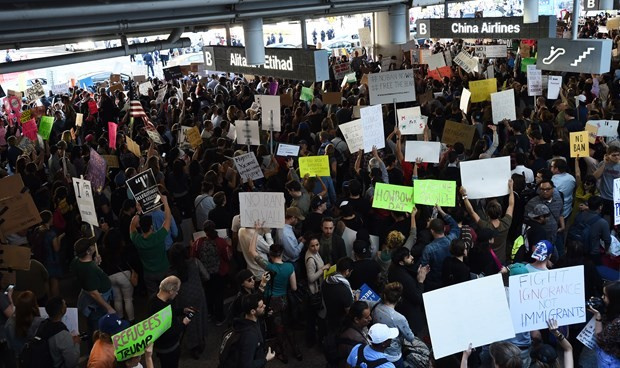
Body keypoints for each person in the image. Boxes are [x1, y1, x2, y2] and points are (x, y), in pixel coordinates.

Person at [249, 236, 300, 363]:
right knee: (287, 325)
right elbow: (294, 287)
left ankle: (283, 354)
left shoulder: (269, 267)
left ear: (270, 255)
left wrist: (256, 231)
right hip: (284, 300)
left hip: (272, 301)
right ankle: (297, 351)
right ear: (282, 254)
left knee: (278, 327)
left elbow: (251, 251)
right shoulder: (290, 267)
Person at [461, 179, 514, 263]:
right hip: (501, 260)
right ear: (500, 213)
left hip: (488, 261)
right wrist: (511, 189)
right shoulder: (506, 223)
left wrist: (464, 196)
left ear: (487, 214)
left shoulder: (484, 226)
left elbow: (471, 212)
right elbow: (511, 205)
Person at [72, 237, 115, 337]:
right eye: (91, 246)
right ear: (88, 251)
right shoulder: (89, 270)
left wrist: (94, 263)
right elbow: (94, 293)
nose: (93, 246)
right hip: (98, 306)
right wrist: (108, 308)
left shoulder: (77, 261)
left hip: (89, 300)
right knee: (98, 330)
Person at [129, 195, 172, 296]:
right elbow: (168, 220)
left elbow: (132, 225)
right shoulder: (158, 237)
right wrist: (165, 202)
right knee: (167, 294)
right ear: (151, 226)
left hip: (148, 274)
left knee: (153, 296)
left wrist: (138, 212)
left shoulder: (137, 240)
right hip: (163, 270)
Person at [147, 276, 192, 368]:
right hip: (169, 348)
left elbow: (171, 312)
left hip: (160, 347)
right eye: (176, 291)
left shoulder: (154, 300)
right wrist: (184, 323)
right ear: (171, 291)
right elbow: (170, 333)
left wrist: (182, 310)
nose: (177, 293)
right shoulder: (162, 309)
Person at [370, 283, 415, 368]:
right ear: (399, 299)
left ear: (384, 296)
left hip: (376, 347)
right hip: (392, 354)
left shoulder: (375, 306)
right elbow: (410, 337)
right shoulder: (399, 318)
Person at [387, 247, 429, 337]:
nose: (412, 257)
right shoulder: (405, 279)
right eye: (408, 257)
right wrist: (421, 281)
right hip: (411, 315)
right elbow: (418, 298)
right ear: (401, 262)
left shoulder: (393, 269)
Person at [419, 205, 460, 291]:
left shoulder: (428, 249)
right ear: (444, 228)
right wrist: (441, 211)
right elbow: (455, 226)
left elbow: (424, 268)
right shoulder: (452, 239)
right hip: (450, 279)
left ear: (432, 231)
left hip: (435, 282)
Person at [100, 229, 136, 324]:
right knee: (128, 299)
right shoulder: (123, 248)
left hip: (111, 277)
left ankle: (120, 320)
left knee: (117, 300)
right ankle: (132, 320)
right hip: (124, 275)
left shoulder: (103, 250)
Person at [232, 294, 275, 368]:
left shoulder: (246, 317)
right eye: (261, 306)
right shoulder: (249, 336)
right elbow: (246, 365)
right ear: (252, 311)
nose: (264, 306)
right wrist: (266, 359)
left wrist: (266, 313)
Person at [304, 234, 330, 346]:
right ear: (308, 247)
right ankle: (318, 341)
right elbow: (311, 278)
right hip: (315, 292)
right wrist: (323, 269)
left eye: (317, 245)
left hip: (318, 289)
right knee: (318, 317)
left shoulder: (314, 253)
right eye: (312, 246)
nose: (316, 248)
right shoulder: (310, 259)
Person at [570, 196, 611, 265]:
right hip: (593, 253)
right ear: (600, 207)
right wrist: (606, 250)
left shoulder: (579, 215)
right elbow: (607, 240)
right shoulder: (603, 223)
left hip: (577, 249)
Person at [588, 281, 620, 367]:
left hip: (610, 359)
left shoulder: (617, 323)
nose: (602, 297)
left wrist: (597, 316)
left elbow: (600, 339)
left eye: (605, 296)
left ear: (614, 299)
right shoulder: (615, 310)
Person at [44, 297, 80, 368]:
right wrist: (76, 344)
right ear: (62, 310)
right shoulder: (63, 336)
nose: (66, 305)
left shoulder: (42, 325)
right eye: (64, 304)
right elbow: (72, 363)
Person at [5, 291, 44, 358]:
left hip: (19, 361)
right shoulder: (41, 323)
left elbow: (11, 347)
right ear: (34, 306)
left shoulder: (9, 324)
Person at [322, 257, 355, 333]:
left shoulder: (326, 281)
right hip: (340, 323)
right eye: (351, 272)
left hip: (328, 316)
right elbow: (349, 311)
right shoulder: (344, 290)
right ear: (347, 271)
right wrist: (354, 298)